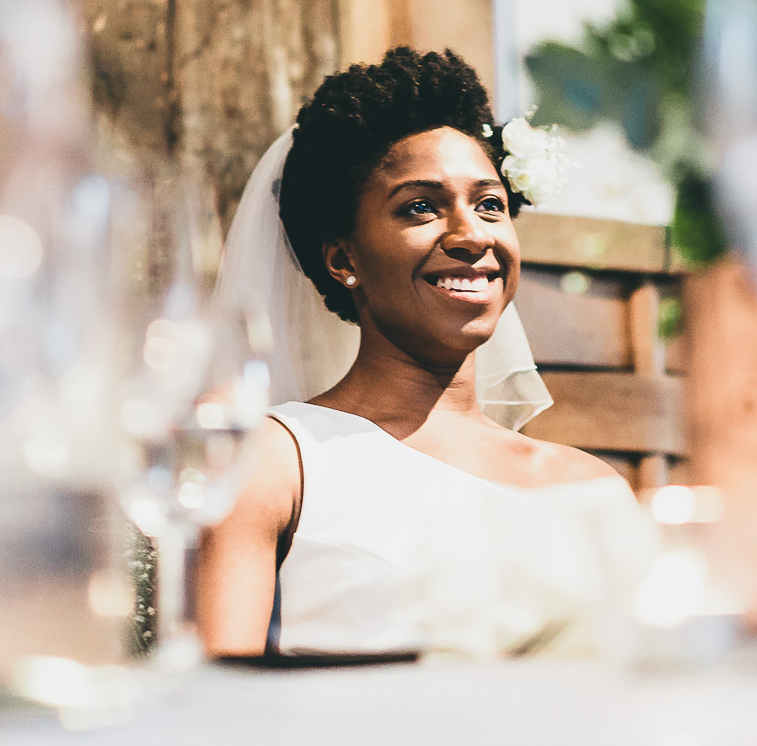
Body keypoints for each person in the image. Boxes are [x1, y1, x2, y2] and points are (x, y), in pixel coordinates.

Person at [197, 48, 646, 659]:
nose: (472, 235)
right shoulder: (277, 461)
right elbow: (217, 710)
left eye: (490, 204)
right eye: (421, 207)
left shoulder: (593, 488)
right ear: (343, 259)